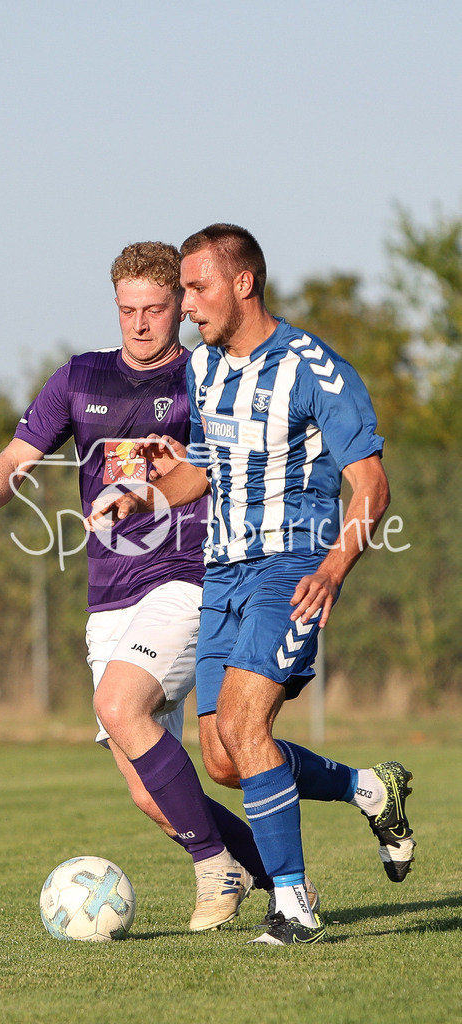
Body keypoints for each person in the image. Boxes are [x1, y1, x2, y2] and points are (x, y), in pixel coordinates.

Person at [0, 240, 304, 933]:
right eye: (127, 310)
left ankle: (212, 866)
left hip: (187, 576)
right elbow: (13, 458)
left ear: (180, 305)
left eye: (154, 308)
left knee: (119, 704)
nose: (140, 323)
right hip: (108, 596)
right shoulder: (79, 380)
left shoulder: (208, 378)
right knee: (151, 794)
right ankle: (281, 885)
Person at [93, 224, 416, 947]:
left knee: (245, 728)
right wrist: (142, 493)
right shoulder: (204, 368)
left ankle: (294, 907)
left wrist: (332, 567)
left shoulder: (312, 367)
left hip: (292, 566)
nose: (183, 306)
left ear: (243, 283)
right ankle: (370, 788)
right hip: (224, 571)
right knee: (222, 758)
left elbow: (371, 484)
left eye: (196, 288)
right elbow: (201, 467)